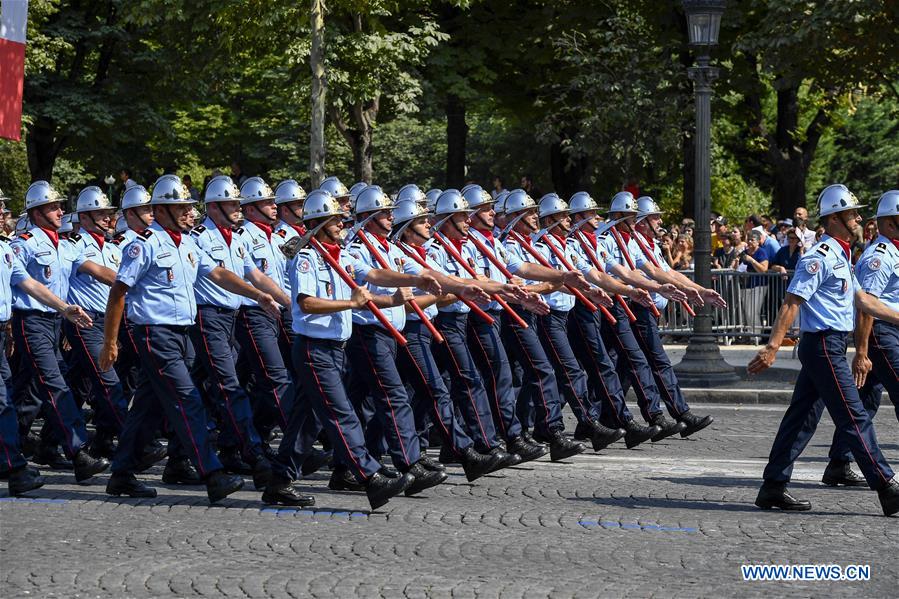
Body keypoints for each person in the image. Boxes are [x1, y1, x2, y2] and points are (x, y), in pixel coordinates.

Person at [99, 174, 273, 502]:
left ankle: (121, 473)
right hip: (155, 334)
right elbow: (119, 292)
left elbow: (219, 273)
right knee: (188, 400)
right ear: (160, 210)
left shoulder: (189, 242)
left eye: (187, 207)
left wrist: (256, 294)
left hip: (182, 336)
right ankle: (212, 472)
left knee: (148, 408)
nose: (186, 212)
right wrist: (110, 341)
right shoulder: (144, 243)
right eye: (178, 207)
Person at [749, 183, 899, 516]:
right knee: (853, 415)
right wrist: (773, 346)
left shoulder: (843, 254)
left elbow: (863, 300)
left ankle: (773, 485)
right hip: (823, 346)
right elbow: (792, 302)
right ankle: (887, 485)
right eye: (852, 213)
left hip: (828, 345)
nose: (859, 218)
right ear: (835, 218)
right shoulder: (820, 257)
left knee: (801, 418)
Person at [284, 189, 419, 509]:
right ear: (319, 223)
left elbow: (373, 276)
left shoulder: (341, 254)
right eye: (336, 220)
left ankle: (279, 478)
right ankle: (369, 476)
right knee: (341, 414)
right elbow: (306, 304)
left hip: (334, 348)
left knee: (306, 419)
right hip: (313, 348)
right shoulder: (306, 258)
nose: (344, 224)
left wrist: (405, 290)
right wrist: (349, 302)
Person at [389, 199, 515, 480]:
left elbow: (450, 280)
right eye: (422, 222)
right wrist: (452, 292)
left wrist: (504, 288)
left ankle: (411, 453)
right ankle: (465, 451)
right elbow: (406, 302)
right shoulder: (397, 255)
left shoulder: (421, 253)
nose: (428, 224)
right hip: (410, 329)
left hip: (426, 327)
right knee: (431, 391)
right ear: (408, 229)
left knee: (415, 394)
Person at [188, 175, 295, 500]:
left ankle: (176, 456)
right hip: (208, 318)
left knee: (199, 388)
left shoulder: (235, 238)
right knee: (228, 386)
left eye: (239, 203)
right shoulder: (200, 237)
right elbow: (221, 275)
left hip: (232, 318)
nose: (239, 209)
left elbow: (255, 274)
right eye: (233, 204)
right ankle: (256, 453)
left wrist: (287, 302)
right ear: (214, 206)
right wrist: (257, 295)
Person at [9, 181, 112, 482]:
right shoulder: (24, 243)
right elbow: (23, 283)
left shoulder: (65, 245)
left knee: (29, 393)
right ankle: (79, 452)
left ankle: (9, 448)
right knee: (55, 385)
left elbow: (96, 269)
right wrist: (63, 307)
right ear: (37, 213)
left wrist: (128, 285)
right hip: (30, 321)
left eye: (59, 205)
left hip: (55, 324)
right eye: (53, 206)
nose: (60, 211)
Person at [0, 196, 94, 496]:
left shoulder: (4, 248)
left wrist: (65, 309)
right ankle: (22, 465)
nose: (3, 214)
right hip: (29, 324)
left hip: (15, 328)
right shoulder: (19, 244)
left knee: (22, 394)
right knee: (38, 389)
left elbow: (29, 284)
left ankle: (16, 457)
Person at [823, 190, 899, 488]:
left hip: (888, 332)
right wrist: (862, 352)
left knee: (864, 402)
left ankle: (839, 464)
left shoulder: (894, 250)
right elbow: (866, 305)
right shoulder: (878, 257)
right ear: (891, 223)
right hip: (880, 334)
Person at [64, 186, 128, 459]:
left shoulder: (112, 245)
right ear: (85, 218)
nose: (107, 218)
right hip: (85, 321)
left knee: (77, 385)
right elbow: (101, 273)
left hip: (107, 320)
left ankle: (49, 440)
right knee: (107, 382)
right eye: (100, 214)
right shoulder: (75, 244)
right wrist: (136, 282)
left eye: (108, 214)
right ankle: (134, 439)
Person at [737, 230, 770, 336]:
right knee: (747, 311)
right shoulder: (744, 253)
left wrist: (752, 260)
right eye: (748, 239)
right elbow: (739, 267)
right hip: (746, 285)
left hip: (759, 285)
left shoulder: (762, 252)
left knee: (754, 311)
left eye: (752, 240)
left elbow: (764, 269)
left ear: (758, 241)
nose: (750, 242)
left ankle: (757, 335)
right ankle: (751, 334)